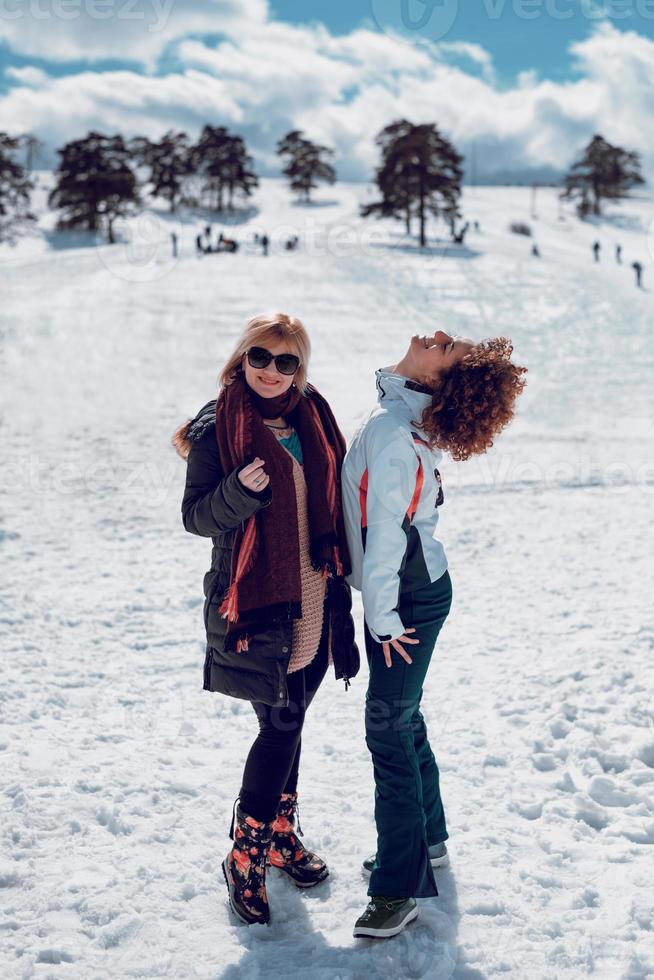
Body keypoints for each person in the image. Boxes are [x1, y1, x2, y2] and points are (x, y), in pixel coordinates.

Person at [172, 313, 359, 927]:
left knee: (295, 717)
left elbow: (342, 495)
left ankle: (279, 831)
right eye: (261, 357)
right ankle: (245, 852)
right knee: (280, 726)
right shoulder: (216, 430)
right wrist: (240, 492)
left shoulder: (314, 419)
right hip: (257, 606)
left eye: (288, 362)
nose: (272, 372)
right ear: (240, 358)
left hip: (316, 596)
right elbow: (197, 516)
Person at [341, 330, 527, 939]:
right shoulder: (397, 415)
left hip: (407, 596)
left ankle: (397, 889)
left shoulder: (396, 431)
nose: (440, 338)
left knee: (388, 728)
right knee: (404, 716)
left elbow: (388, 533)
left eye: (450, 349)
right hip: (408, 590)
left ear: (438, 379)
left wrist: (385, 617)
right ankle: (429, 841)